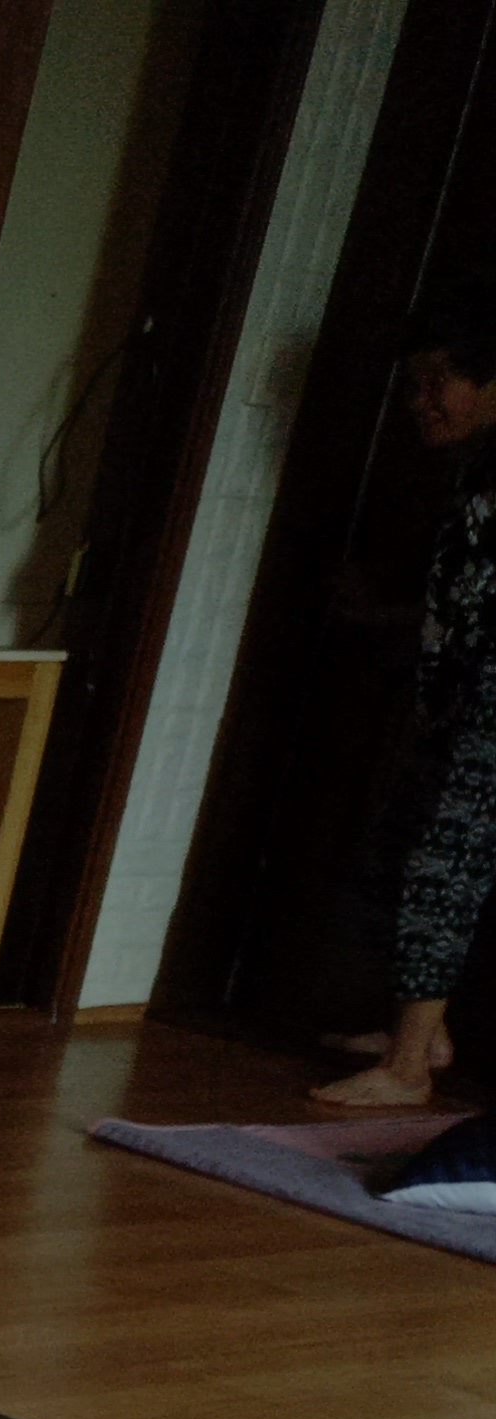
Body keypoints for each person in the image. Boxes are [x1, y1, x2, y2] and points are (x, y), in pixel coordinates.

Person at [320, 290, 496, 1108]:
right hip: (458, 700)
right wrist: (385, 616)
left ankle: (408, 1069)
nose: (420, 402)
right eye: (414, 383)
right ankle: (422, 1034)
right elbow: (466, 604)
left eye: (438, 381)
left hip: (488, 712)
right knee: (399, 851)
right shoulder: (477, 472)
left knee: (441, 864)